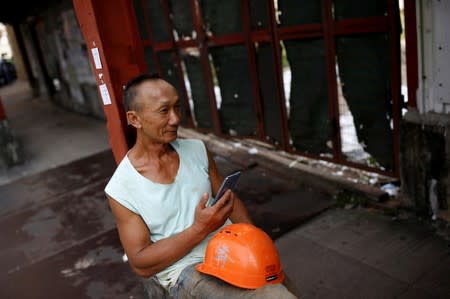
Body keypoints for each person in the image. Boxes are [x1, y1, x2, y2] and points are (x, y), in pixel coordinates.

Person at [104, 73, 298, 299]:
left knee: (282, 289)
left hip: (232, 250)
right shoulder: (121, 188)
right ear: (135, 119)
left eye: (178, 107)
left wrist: (258, 245)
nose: (176, 119)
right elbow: (140, 263)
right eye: (164, 111)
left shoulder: (196, 149)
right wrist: (201, 228)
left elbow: (230, 202)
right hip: (186, 269)